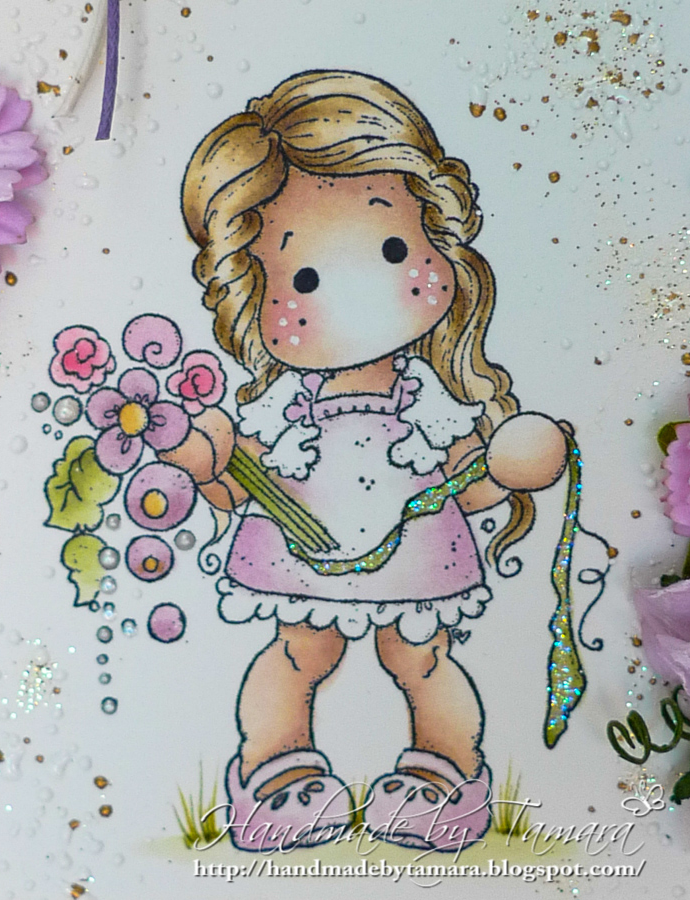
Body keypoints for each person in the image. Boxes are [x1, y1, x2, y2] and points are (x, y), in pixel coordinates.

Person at [165, 70, 570, 852]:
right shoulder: (283, 409)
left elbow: (466, 479)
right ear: (253, 293)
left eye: (391, 249)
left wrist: (510, 465)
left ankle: (443, 778)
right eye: (306, 278)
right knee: (298, 651)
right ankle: (275, 775)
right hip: (302, 544)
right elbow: (241, 481)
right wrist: (208, 458)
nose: (359, 293)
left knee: (419, 657)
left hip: (412, 550)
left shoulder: (430, 401)